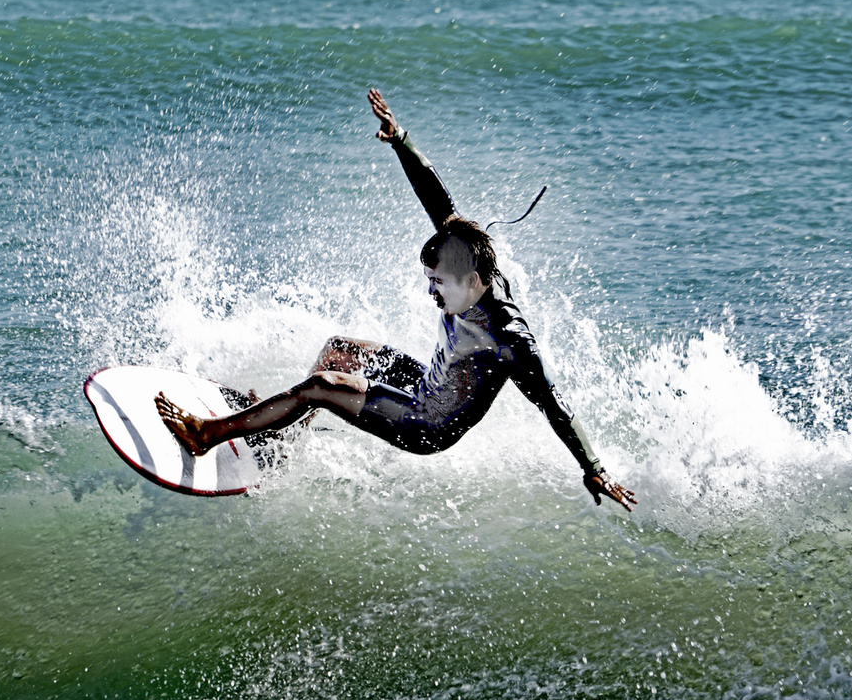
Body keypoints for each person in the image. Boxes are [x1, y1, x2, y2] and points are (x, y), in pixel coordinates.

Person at [157, 89, 637, 511]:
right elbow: (439, 201)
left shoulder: (511, 341)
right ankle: (281, 440)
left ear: (472, 282)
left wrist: (593, 467)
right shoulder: (463, 254)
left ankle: (207, 435)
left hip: (427, 422)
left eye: (438, 285)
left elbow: (556, 407)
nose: (431, 293)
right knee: (338, 349)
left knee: (322, 385)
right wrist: (401, 139)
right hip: (429, 381)